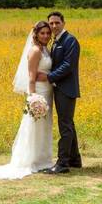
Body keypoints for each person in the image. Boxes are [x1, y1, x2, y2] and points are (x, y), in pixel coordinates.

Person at [0, 21, 54, 179]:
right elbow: (31, 77)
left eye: (48, 33)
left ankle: (42, 159)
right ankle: (29, 160)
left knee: (44, 125)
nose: (46, 36)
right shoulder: (35, 50)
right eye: (42, 33)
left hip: (48, 91)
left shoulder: (45, 49)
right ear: (35, 34)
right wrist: (33, 97)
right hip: (39, 92)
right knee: (34, 125)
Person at [37, 11, 81, 173]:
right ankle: (74, 159)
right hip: (59, 87)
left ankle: (62, 164)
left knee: (65, 125)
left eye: (57, 23)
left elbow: (68, 65)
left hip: (67, 88)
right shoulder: (56, 41)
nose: (54, 26)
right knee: (68, 123)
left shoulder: (70, 41)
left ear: (63, 23)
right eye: (52, 23)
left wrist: (49, 77)